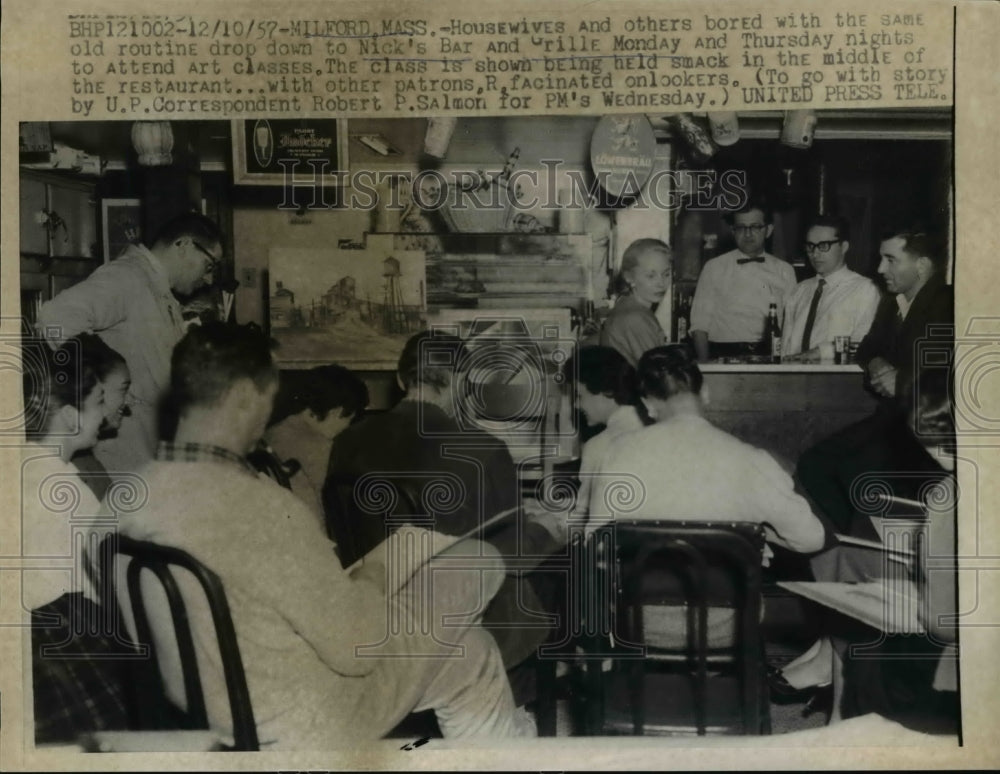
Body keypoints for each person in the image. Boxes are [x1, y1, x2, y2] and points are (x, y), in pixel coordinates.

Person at [113, 322, 529, 748]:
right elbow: (358, 644)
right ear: (244, 397)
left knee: (472, 653)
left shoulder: (123, 501)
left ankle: (506, 748)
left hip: (209, 707)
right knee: (476, 560)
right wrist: (375, 574)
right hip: (311, 712)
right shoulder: (262, 509)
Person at [327, 330, 566, 670]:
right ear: (460, 381)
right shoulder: (484, 450)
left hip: (373, 603)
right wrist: (548, 528)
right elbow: (512, 556)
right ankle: (520, 697)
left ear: (400, 379)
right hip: (455, 621)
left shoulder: (346, 442)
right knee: (554, 561)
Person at [591, 345, 826, 646]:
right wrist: (755, 534)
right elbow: (812, 539)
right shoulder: (750, 460)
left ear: (648, 405)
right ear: (706, 394)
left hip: (636, 623)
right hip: (726, 627)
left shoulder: (616, 455)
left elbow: (595, 546)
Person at [37, 212, 224, 476]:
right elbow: (54, 318)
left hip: (144, 450)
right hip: (120, 454)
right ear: (184, 245)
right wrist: (103, 390)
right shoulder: (127, 277)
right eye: (209, 265)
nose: (209, 279)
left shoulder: (155, 288)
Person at [795, 225, 954, 535]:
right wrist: (879, 362)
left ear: (921, 266)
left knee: (856, 474)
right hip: (893, 420)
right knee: (816, 464)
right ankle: (857, 544)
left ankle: (872, 551)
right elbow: (868, 348)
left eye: (890, 260)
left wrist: (903, 381)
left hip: (926, 431)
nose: (880, 268)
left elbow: (952, 375)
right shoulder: (892, 301)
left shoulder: (947, 304)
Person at [20, 336, 132, 743]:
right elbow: (108, 591)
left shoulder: (18, 468)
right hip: (64, 655)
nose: (105, 414)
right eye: (98, 402)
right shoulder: (68, 488)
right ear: (69, 417)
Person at [689, 200, 798, 361]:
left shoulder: (785, 270)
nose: (747, 234)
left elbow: (792, 324)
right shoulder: (714, 267)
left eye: (755, 227)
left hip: (769, 355)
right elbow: (699, 325)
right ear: (733, 231)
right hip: (722, 355)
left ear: (768, 230)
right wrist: (705, 368)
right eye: (741, 228)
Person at [265, 364, 370, 519]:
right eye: (349, 420)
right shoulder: (321, 449)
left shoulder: (273, 431)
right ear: (338, 412)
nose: (346, 428)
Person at [561, 345, 652, 518]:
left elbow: (583, 518)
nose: (576, 405)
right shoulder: (653, 427)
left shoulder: (599, 445)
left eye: (579, 396)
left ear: (607, 392)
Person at [781, 214, 882, 361]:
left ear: (844, 247)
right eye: (810, 246)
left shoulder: (865, 289)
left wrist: (820, 352)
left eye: (823, 246)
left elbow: (863, 343)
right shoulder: (799, 290)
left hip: (837, 380)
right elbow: (786, 346)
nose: (815, 253)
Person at [70, 333, 133, 502]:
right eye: (123, 390)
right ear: (93, 388)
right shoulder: (72, 466)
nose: (129, 402)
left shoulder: (86, 459)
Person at [598, 238, 671, 367]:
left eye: (666, 274)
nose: (661, 283)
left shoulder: (631, 307)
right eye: (650, 276)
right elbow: (658, 374)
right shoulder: (635, 317)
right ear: (629, 277)